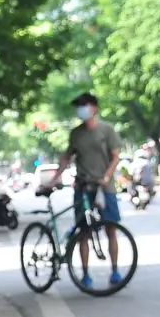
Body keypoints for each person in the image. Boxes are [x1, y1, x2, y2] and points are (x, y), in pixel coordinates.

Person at [47, 92, 123, 290]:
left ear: (94, 108)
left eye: (84, 105)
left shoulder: (107, 130)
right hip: (83, 187)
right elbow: (66, 157)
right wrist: (55, 178)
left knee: (111, 229)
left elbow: (116, 156)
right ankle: (86, 274)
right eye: (78, 106)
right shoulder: (76, 134)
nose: (81, 109)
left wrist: (106, 176)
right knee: (84, 232)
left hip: (104, 187)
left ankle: (115, 271)